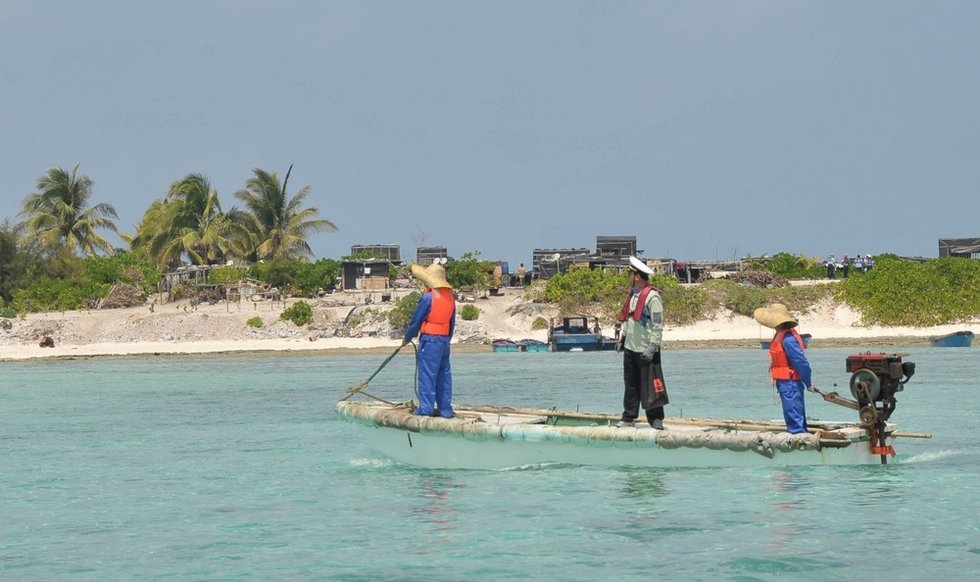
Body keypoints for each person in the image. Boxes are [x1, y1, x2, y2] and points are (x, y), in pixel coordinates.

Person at [616, 256, 668, 429]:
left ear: (637, 276)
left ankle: (655, 418)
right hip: (631, 346)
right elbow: (629, 319)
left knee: (652, 384)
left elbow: (658, 325)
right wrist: (623, 338)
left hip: (646, 348)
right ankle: (628, 416)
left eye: (629, 273)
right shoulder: (632, 295)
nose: (628, 276)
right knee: (630, 384)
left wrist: (653, 346)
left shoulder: (653, 298)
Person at [403, 262, 456, 418]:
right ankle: (445, 410)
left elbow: (416, 321)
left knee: (427, 374)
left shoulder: (429, 297)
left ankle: (425, 409)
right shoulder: (450, 297)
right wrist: (446, 339)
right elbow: (452, 322)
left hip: (430, 341)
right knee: (444, 374)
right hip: (444, 340)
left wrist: (407, 337)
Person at [752, 303, 815, 434]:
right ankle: (799, 433)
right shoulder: (781, 335)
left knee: (794, 413)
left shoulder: (788, 339)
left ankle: (799, 436)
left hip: (790, 382)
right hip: (785, 381)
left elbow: (801, 362)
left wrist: (808, 383)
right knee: (792, 412)